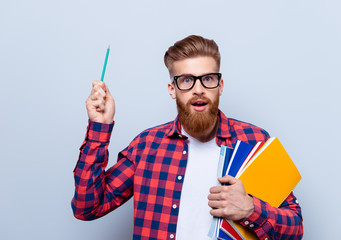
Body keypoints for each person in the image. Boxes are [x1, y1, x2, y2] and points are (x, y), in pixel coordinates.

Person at [72, 35, 303, 240]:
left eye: (208, 79)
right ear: (172, 89)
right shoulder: (147, 146)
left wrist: (251, 210)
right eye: (186, 80)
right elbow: (87, 207)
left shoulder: (255, 140)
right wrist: (98, 128)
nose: (198, 89)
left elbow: (294, 229)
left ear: (220, 86)